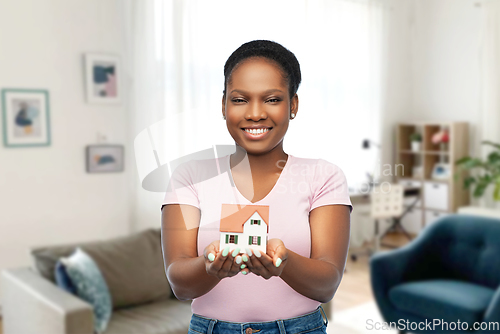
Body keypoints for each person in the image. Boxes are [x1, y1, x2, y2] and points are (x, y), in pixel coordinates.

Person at [161, 40, 352, 334]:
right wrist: (210, 267)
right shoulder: (189, 176)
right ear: (224, 105)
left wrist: (285, 263)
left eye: (272, 99)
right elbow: (180, 284)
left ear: (293, 105)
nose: (255, 113)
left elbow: (327, 285)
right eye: (239, 100)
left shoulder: (323, 176)